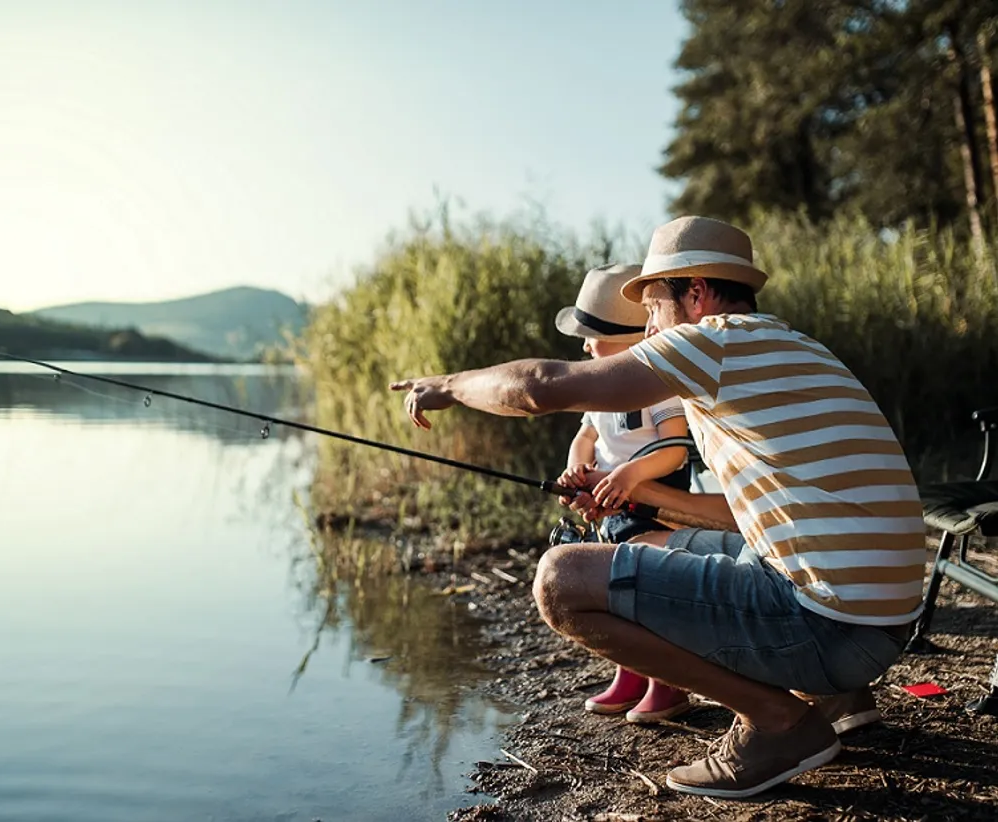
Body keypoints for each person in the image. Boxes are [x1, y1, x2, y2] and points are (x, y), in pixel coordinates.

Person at [390, 216, 925, 799]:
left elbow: (541, 386)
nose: (647, 327)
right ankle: (837, 696)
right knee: (667, 544)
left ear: (695, 293)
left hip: (831, 629)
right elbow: (747, 518)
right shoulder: (793, 348)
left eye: (652, 307)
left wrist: (450, 384)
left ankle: (778, 723)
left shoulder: (711, 343)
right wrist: (639, 493)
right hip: (884, 624)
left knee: (562, 580)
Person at [552, 262, 692, 723]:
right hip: (610, 506)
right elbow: (586, 436)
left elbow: (674, 450)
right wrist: (577, 468)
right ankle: (629, 672)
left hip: (654, 501)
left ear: (628, 340)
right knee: (614, 588)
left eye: (592, 336)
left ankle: (666, 682)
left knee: (646, 589)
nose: (584, 345)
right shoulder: (600, 390)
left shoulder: (660, 386)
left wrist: (630, 476)